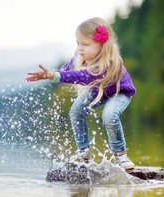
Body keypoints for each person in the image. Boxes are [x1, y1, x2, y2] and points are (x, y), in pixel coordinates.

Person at [26, 17, 136, 169]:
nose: (80, 48)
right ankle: (83, 152)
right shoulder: (81, 56)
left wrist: (54, 76)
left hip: (120, 92)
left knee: (109, 116)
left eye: (85, 44)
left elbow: (82, 76)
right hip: (99, 89)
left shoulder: (108, 63)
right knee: (76, 111)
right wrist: (51, 74)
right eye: (78, 43)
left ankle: (120, 155)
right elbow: (67, 70)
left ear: (102, 45)